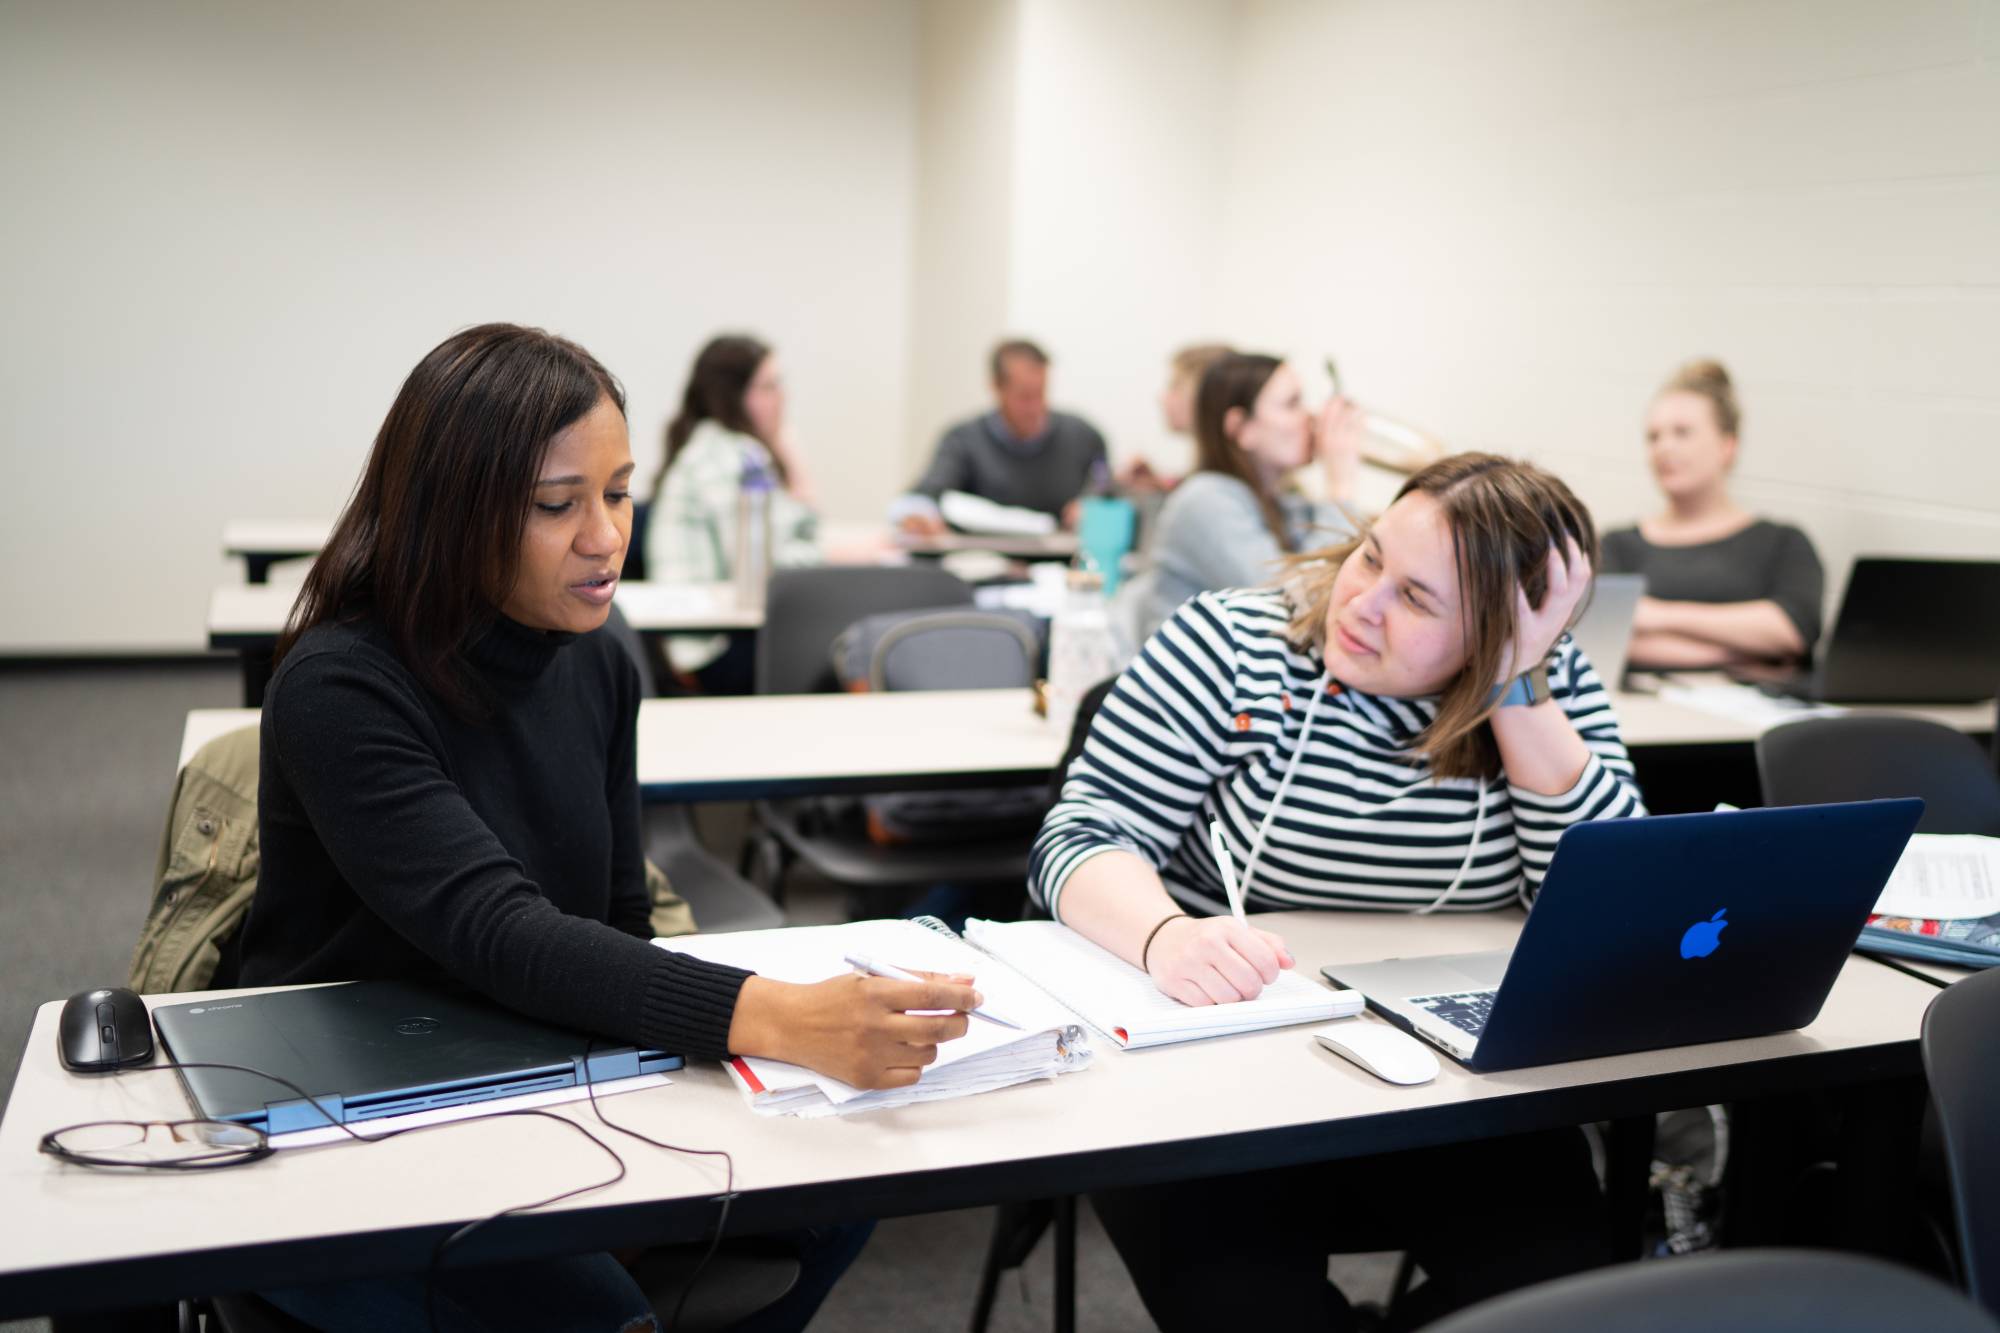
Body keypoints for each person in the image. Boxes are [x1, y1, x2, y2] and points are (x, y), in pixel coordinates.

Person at [233, 324, 980, 1332]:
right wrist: (780, 1016)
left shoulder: (595, 653)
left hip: (538, 1055)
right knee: (597, 1315)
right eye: (556, 504)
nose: (603, 535)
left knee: (835, 1198)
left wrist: (652, 1144)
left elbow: (616, 914)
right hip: (356, 1104)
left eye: (619, 493)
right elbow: (499, 930)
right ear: (451, 513)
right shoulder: (341, 686)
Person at [1031, 452, 1645, 1330]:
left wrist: (1515, 681)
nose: (1363, 603)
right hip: (1213, 1082)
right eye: (1370, 555)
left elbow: (1605, 906)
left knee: (1569, 1298)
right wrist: (1170, 936)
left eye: (1421, 599)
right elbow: (1082, 834)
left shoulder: (1541, 678)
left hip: (1452, 1091)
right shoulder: (1233, 642)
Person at [1123, 352, 1365, 643]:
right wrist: (1340, 486)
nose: (1311, 418)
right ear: (1240, 428)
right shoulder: (1203, 501)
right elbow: (1294, 606)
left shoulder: (1285, 503)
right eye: (1292, 404)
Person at [1602, 359, 1824, 670]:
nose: (1664, 448)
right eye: (1653, 437)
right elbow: (1608, 640)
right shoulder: (1616, 545)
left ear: (1727, 446)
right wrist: (1736, 651)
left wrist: (1655, 614)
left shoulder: (1783, 542)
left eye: (1682, 433)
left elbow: (1793, 628)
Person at [645, 334, 821, 693]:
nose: (782, 397)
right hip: (711, 649)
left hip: (713, 636)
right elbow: (764, 570)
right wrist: (793, 459)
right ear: (733, 394)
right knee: (833, 641)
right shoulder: (729, 455)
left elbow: (792, 529)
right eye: (768, 386)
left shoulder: (721, 447)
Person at [893, 338, 1108, 535]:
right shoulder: (962, 440)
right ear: (996, 387)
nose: (1035, 408)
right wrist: (918, 515)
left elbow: (1104, 489)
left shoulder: (1083, 437)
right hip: (982, 562)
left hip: (1061, 563)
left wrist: (1094, 507)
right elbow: (925, 495)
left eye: (1040, 393)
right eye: (1024, 397)